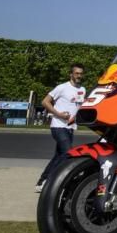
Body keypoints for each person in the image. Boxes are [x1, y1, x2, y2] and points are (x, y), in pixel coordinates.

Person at [35, 63, 86, 192]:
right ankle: (55, 182)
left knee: (59, 156)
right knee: (68, 153)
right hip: (58, 126)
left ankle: (42, 181)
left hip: (70, 127)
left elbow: (78, 108)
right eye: (76, 73)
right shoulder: (62, 87)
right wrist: (58, 114)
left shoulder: (83, 90)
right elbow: (45, 102)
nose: (79, 76)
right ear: (71, 74)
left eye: (81, 73)